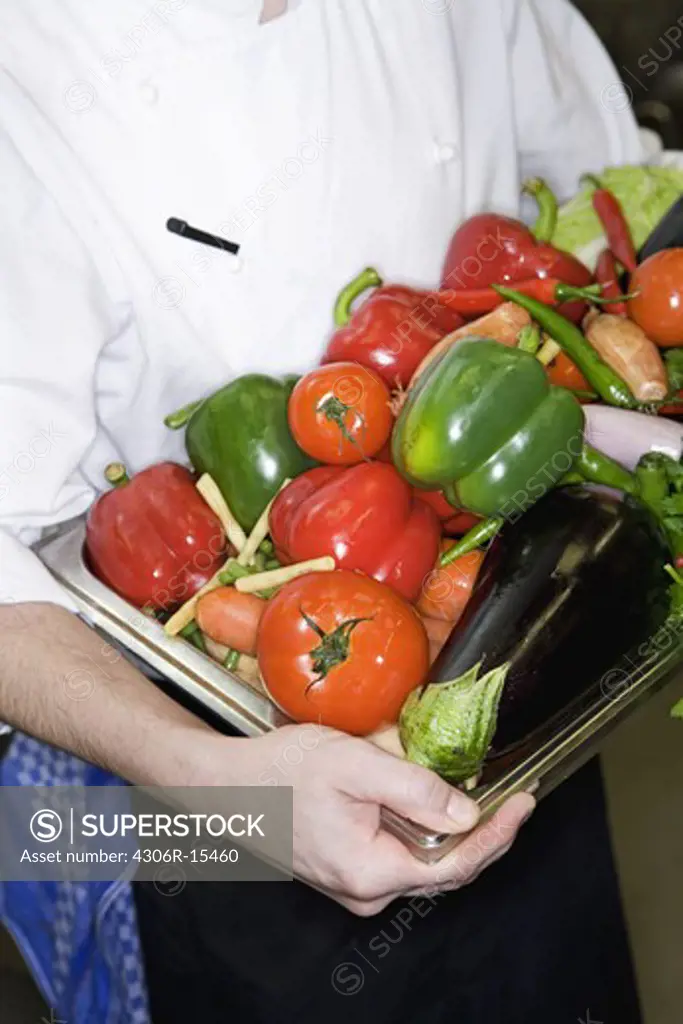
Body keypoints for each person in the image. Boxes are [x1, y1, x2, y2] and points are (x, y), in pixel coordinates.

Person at [0, 1, 645, 1021]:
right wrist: (224, 790)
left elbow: (600, 199)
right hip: (207, 768)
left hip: (520, 656)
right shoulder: (26, 67)